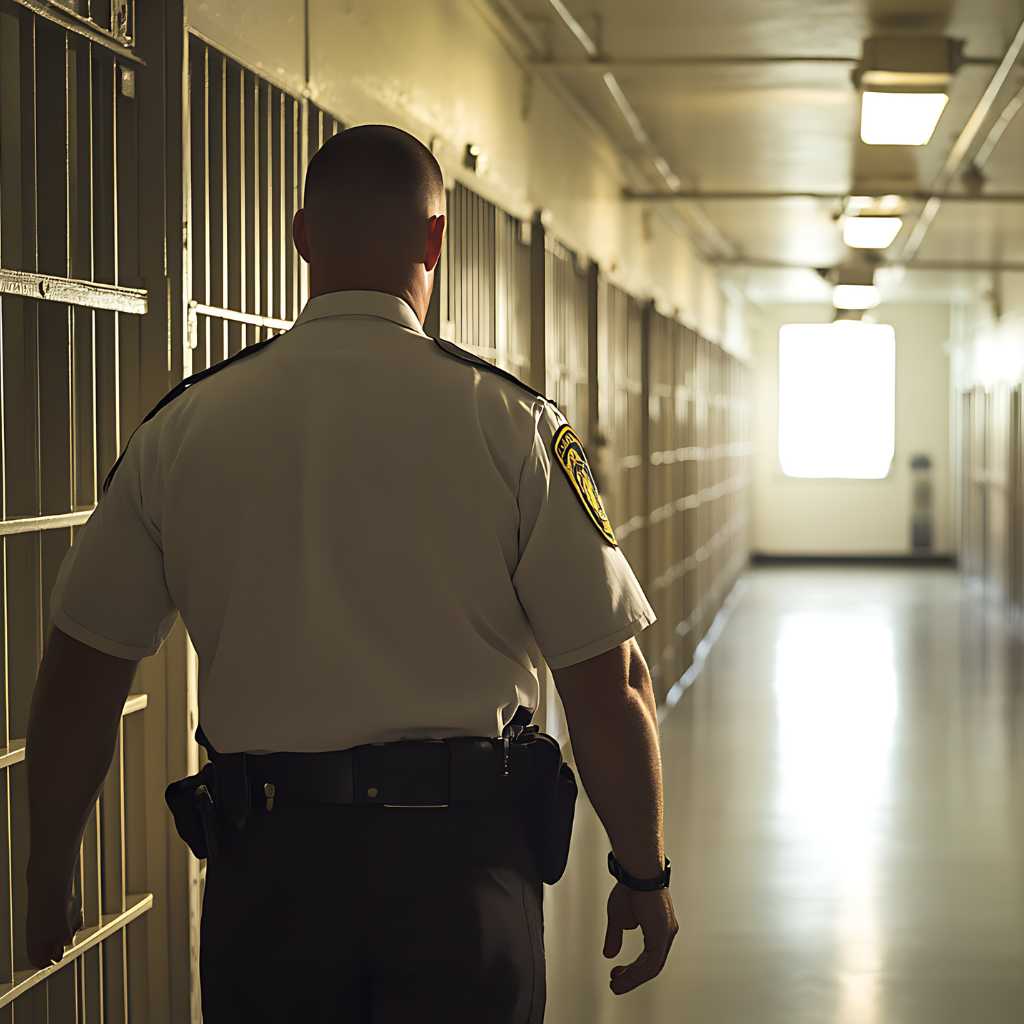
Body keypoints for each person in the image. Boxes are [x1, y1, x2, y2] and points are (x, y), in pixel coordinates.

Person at [25, 123, 677, 1021]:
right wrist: (643, 872)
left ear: (301, 237)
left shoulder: (182, 430)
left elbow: (81, 672)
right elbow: (610, 684)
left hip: (270, 879)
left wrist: (48, 869)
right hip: (462, 877)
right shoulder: (514, 425)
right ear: (436, 240)